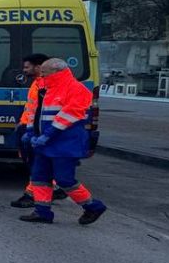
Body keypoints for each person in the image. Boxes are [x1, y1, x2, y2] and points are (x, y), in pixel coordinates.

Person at [20, 58, 107, 225]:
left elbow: (69, 114)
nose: (42, 74)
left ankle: (92, 206)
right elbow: (35, 112)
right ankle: (42, 211)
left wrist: (48, 134)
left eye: (44, 72)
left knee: (64, 179)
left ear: (56, 72)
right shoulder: (45, 88)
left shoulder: (75, 89)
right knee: (39, 177)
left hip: (65, 144)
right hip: (45, 143)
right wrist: (30, 131)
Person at [10, 53, 66, 208]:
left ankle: (32, 195)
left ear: (38, 66)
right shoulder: (37, 83)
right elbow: (33, 108)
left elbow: (44, 110)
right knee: (35, 163)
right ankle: (54, 188)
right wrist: (22, 124)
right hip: (29, 128)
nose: (24, 71)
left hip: (37, 130)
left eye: (27, 67)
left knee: (36, 165)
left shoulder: (45, 85)